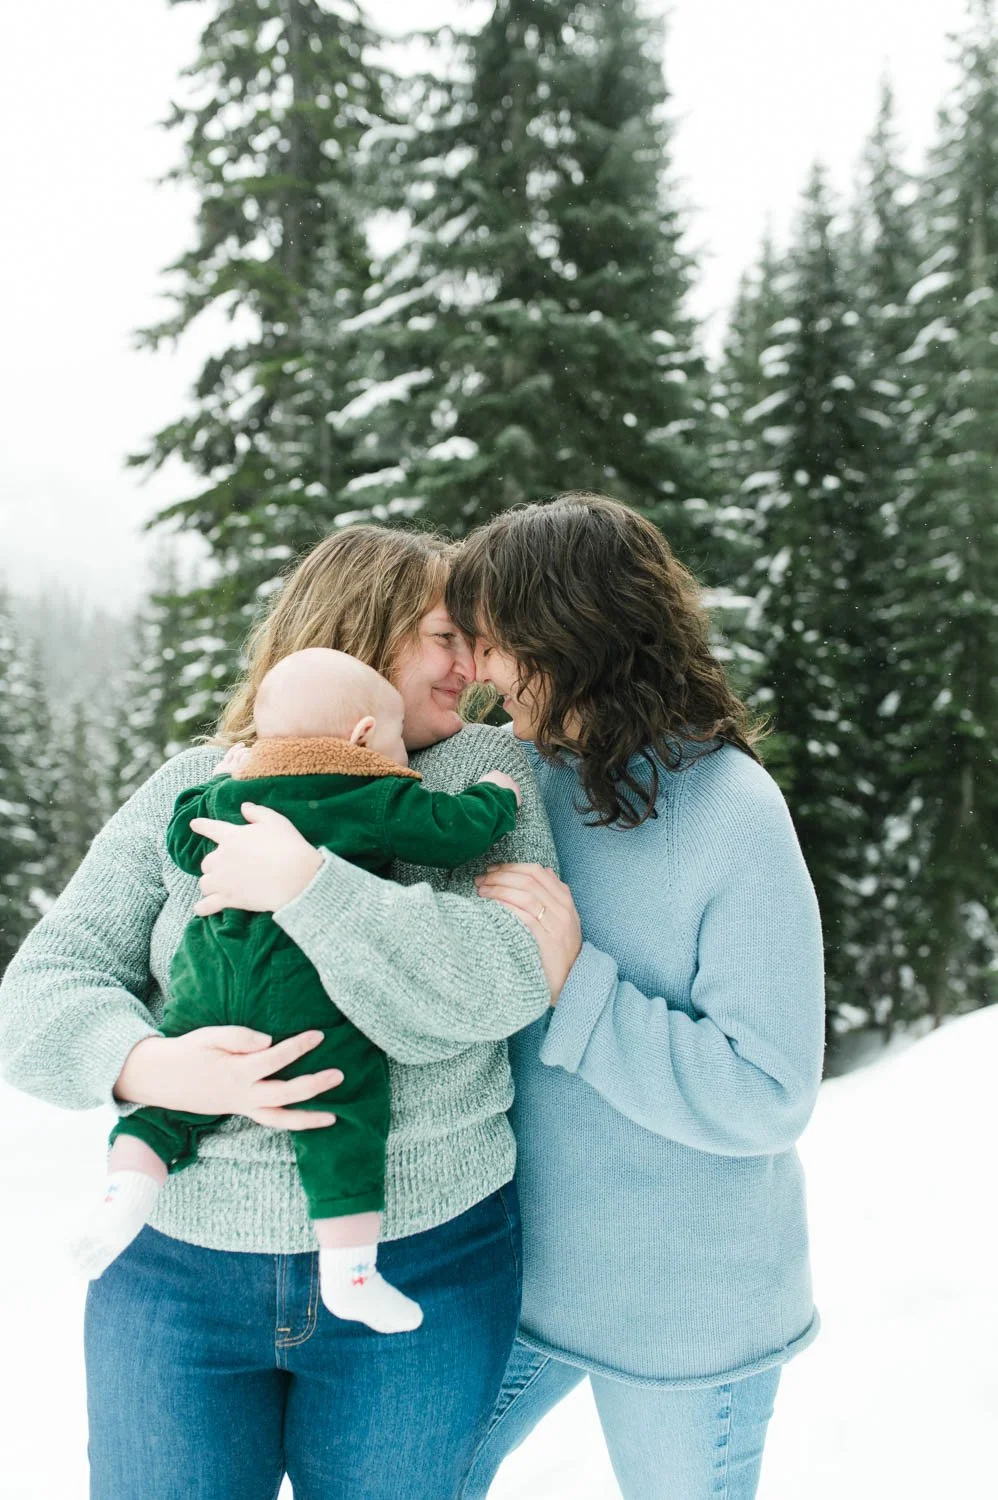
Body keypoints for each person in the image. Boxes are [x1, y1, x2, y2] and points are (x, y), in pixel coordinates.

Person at [190, 494, 825, 1500]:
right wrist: (263, 777)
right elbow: (357, 830)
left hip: (685, 1304)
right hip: (516, 1283)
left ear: (568, 637)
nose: (476, 671)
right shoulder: (505, 775)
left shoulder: (732, 812)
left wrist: (577, 982)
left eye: (491, 643)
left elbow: (768, 1094)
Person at [0, 525, 559, 1500]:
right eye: (446, 637)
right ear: (359, 634)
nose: (472, 668)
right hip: (177, 1275)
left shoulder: (481, 778)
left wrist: (309, 886)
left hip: (424, 1259)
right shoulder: (198, 787)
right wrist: (152, 1066)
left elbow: (506, 977)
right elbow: (41, 989)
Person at [71, 646, 522, 1338]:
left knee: (167, 1109)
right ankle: (351, 1271)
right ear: (363, 735)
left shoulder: (232, 792)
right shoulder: (373, 793)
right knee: (341, 1107)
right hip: (304, 989)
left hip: (210, 979)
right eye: (394, 738)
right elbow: (452, 832)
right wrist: (496, 795)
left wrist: (215, 784)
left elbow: (185, 843)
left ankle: (122, 1193)